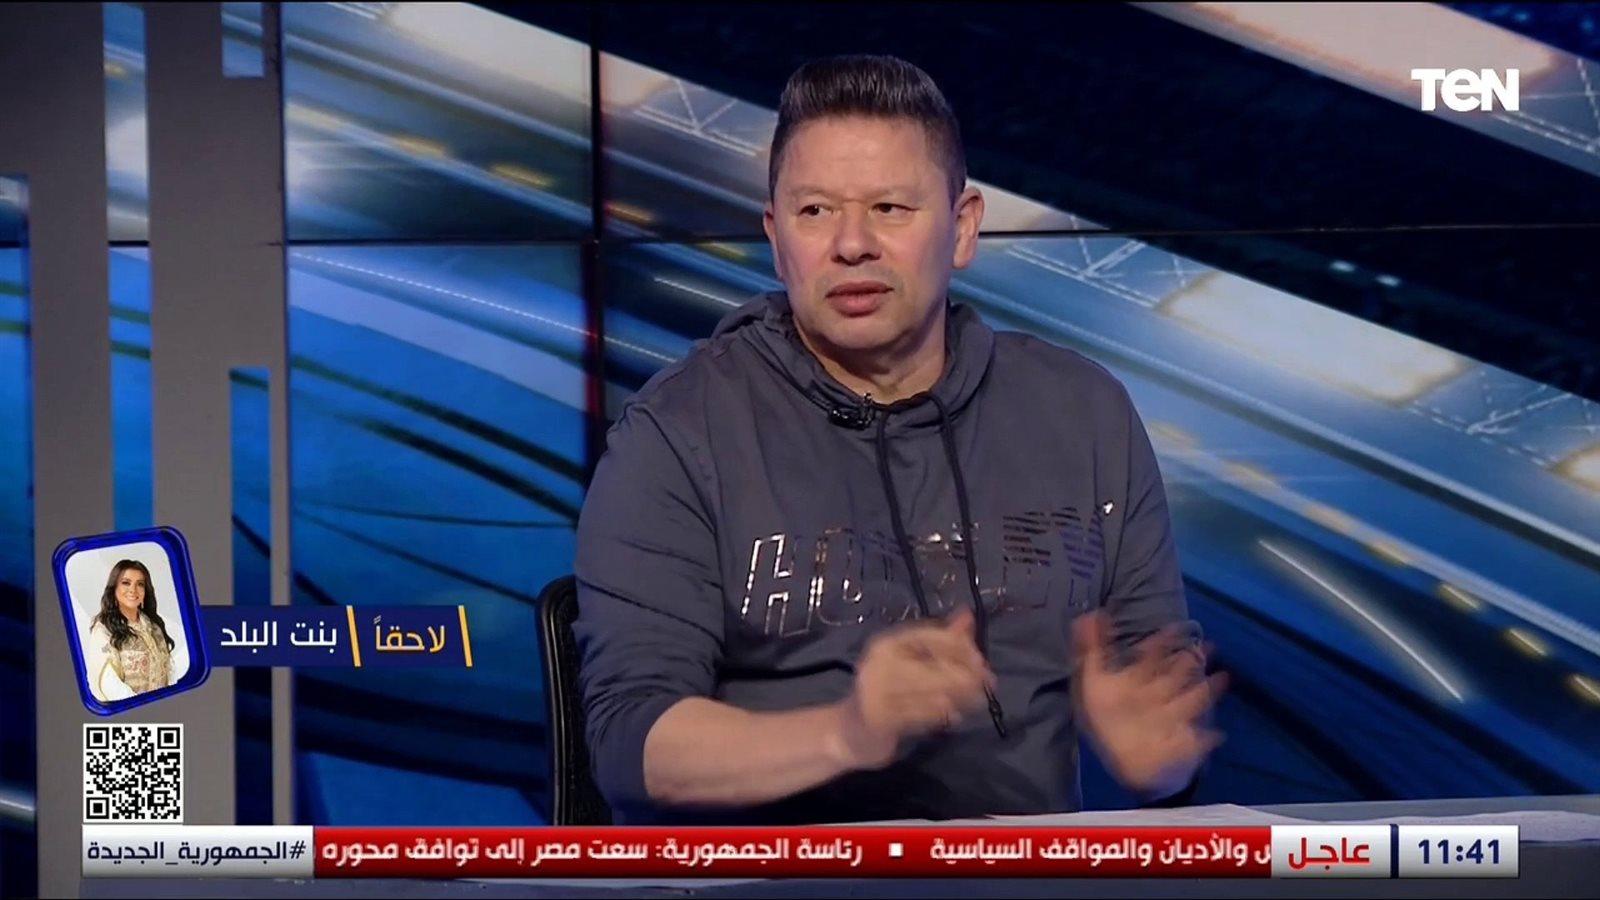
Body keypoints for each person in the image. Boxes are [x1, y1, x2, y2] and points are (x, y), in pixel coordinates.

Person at [573, 54, 1225, 825]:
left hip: (1012, 877)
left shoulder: (1083, 413)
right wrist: (847, 733)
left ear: (964, 227)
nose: (852, 244)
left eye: (890, 207)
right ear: (777, 239)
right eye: (816, 211)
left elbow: (1159, 697)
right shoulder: (679, 432)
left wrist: (1163, 765)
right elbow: (630, 745)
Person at [83, 559, 179, 703]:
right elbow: (108, 683)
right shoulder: (104, 630)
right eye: (126, 583)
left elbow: (169, 670)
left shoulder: (154, 626)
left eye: (140, 584)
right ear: (114, 588)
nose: (133, 590)